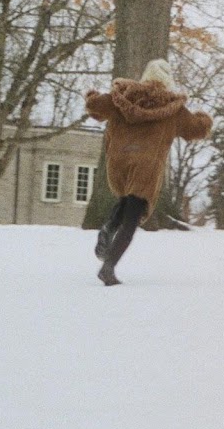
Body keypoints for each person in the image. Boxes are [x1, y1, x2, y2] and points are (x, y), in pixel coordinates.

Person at [84, 59, 213, 285]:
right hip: (146, 165)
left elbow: (95, 105)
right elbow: (197, 129)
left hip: (119, 160)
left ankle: (108, 227)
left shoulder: (122, 96)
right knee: (133, 216)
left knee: (127, 199)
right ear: (167, 81)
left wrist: (92, 96)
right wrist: (205, 119)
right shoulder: (173, 109)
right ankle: (108, 268)